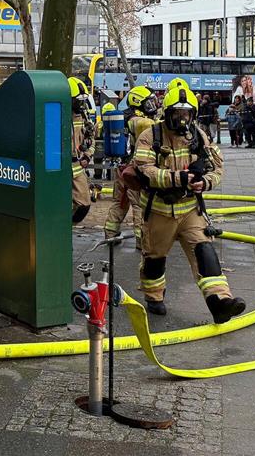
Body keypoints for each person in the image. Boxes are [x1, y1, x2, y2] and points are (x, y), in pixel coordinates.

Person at [127, 86, 245, 323]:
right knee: (154, 258)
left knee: (205, 251)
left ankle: (220, 302)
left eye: (187, 114)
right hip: (159, 210)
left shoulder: (199, 136)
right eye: (178, 114)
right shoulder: (150, 136)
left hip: (190, 209)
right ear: (167, 112)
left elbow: (217, 168)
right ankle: (154, 296)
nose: (183, 119)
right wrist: (175, 178)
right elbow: (145, 169)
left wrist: (205, 182)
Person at [104, 85, 157, 248]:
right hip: (133, 169)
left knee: (119, 202)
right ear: (139, 102)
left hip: (121, 167)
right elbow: (151, 127)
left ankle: (110, 233)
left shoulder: (123, 118)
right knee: (139, 204)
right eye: (149, 102)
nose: (152, 105)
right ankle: (142, 240)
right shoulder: (138, 121)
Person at [70, 77, 94, 223]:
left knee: (83, 205)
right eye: (78, 100)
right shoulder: (56, 114)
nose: (82, 104)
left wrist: (87, 156)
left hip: (76, 166)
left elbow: (90, 139)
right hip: (57, 168)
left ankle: (66, 231)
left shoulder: (83, 116)